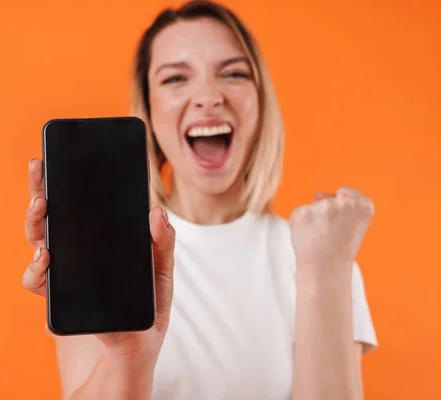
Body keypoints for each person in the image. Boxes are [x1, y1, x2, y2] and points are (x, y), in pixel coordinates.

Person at [22, 1, 378, 399]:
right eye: (176, 78)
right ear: (150, 111)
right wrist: (128, 356)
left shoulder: (320, 252)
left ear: (260, 101)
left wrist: (327, 269)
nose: (209, 96)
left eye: (234, 73)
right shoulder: (100, 252)